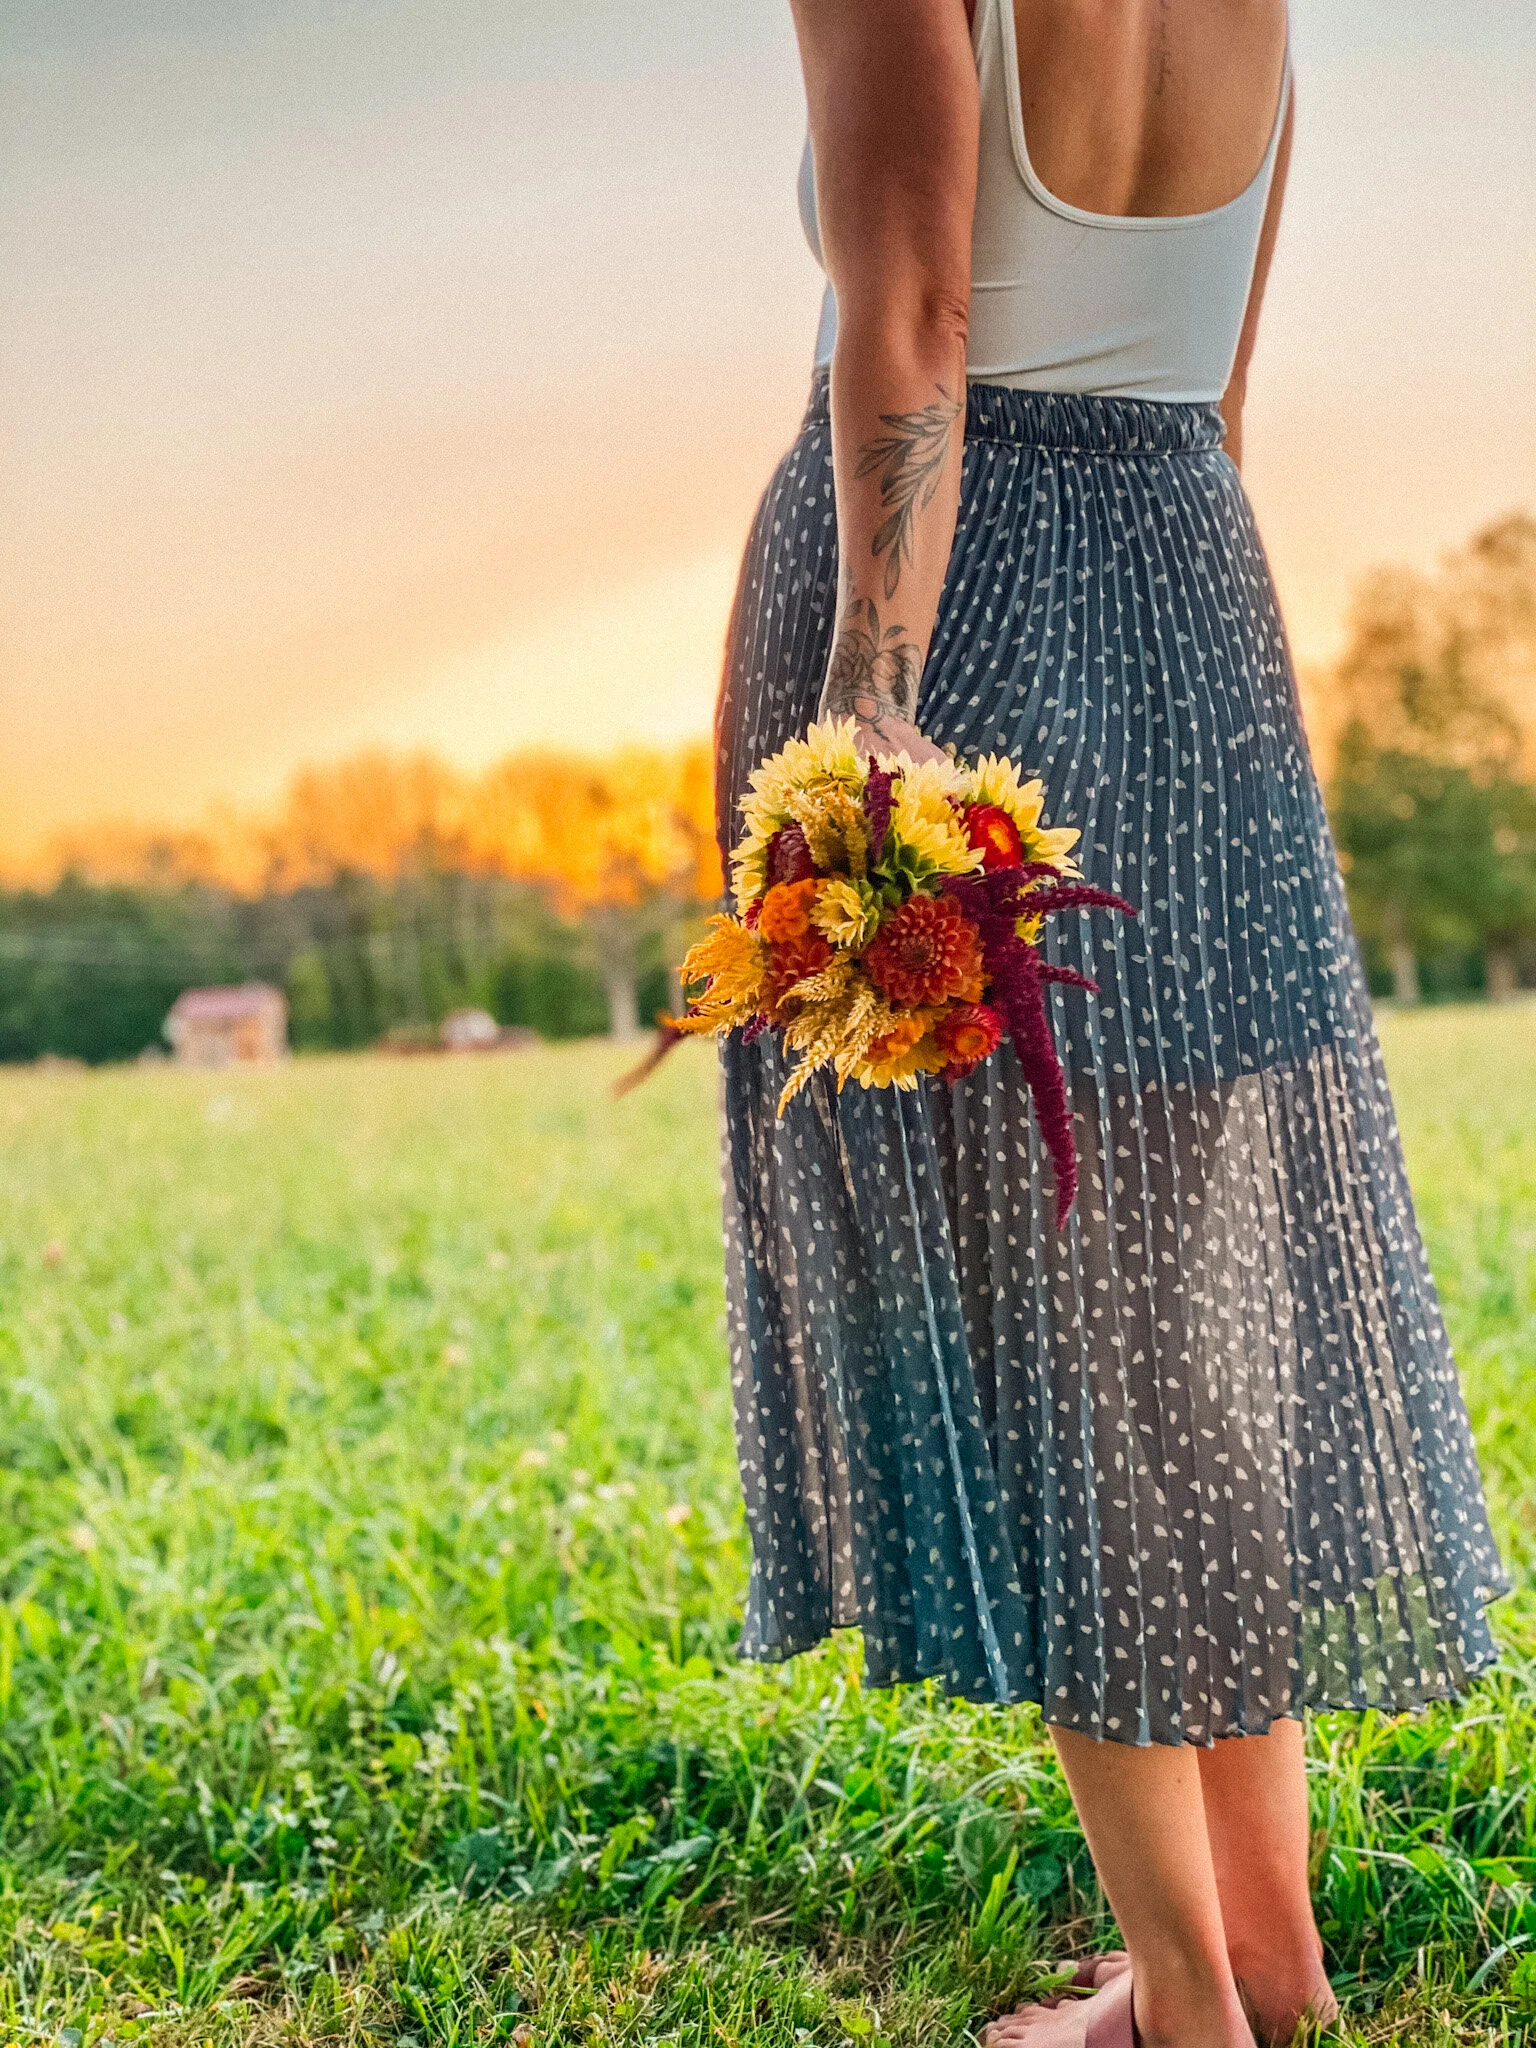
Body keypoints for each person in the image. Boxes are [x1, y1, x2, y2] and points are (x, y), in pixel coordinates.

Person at [710, 4, 1507, 2044]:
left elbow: (913, 315)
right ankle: (1273, 1960)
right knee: (1174, 1342)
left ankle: (1181, 2005)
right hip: (1190, 606)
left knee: (1059, 1350)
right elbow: (1214, 402)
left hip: (973, 619)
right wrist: (1208, 721)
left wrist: (870, 707)